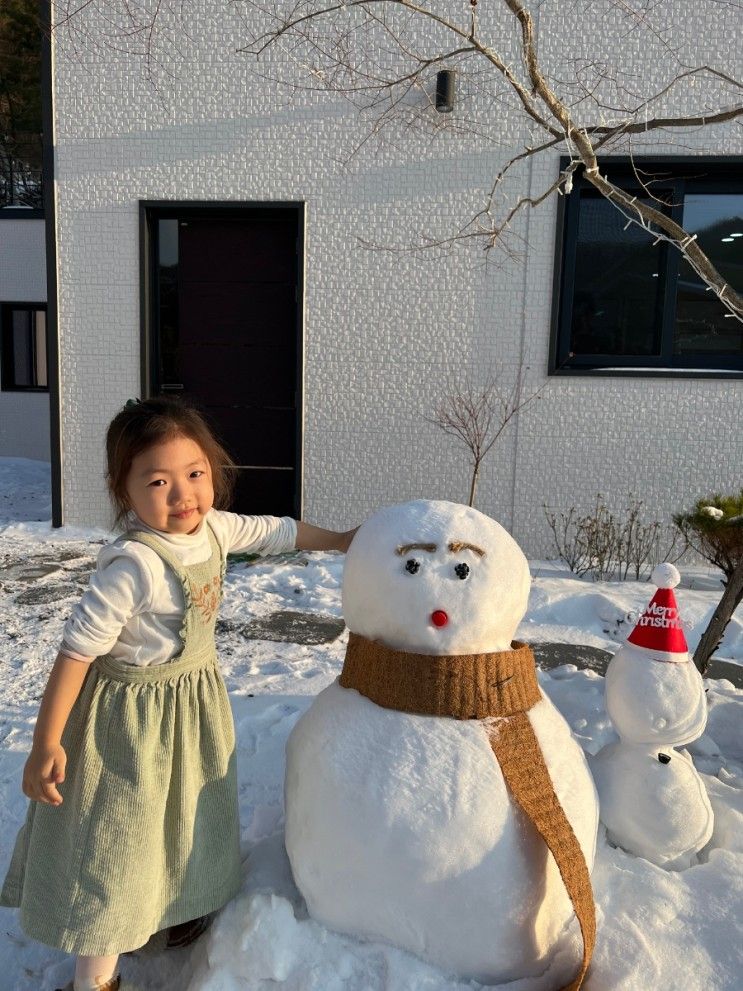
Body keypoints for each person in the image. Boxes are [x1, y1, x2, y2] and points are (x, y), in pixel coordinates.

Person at [0, 397, 357, 991]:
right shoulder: (132, 565)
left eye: (195, 474)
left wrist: (342, 540)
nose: (182, 494)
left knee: (187, 819)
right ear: (125, 492)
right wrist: (45, 742)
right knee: (119, 845)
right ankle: (95, 977)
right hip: (127, 726)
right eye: (158, 481)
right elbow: (76, 653)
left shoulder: (213, 528)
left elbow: (277, 532)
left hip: (190, 713)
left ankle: (168, 915)